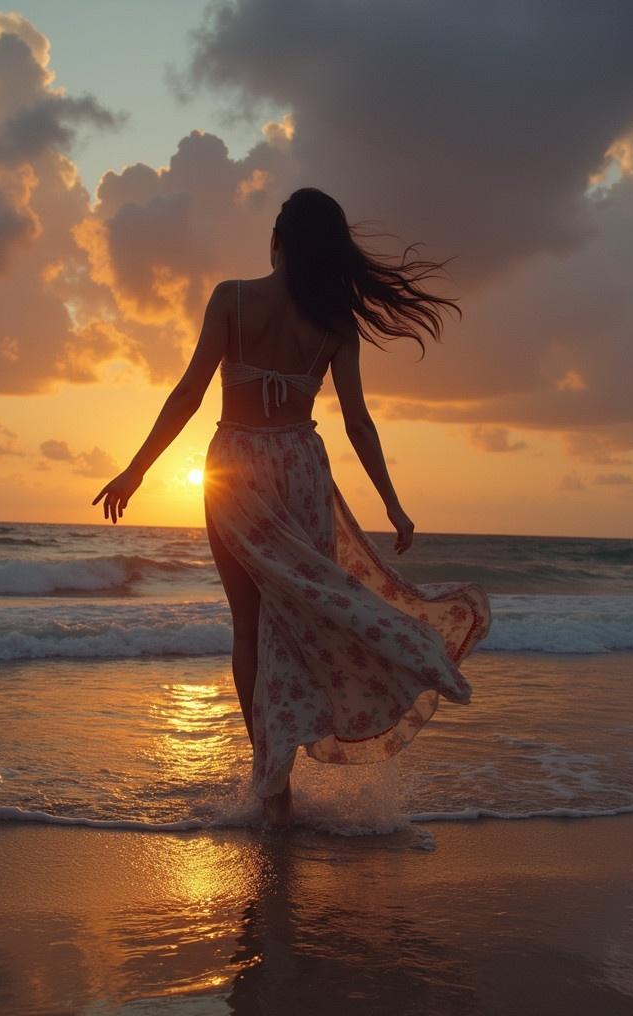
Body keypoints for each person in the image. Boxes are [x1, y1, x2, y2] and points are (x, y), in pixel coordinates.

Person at [92, 188, 492, 828]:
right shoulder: (335, 325)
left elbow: (190, 391)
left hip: (232, 472)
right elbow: (358, 422)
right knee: (301, 617)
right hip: (302, 472)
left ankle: (271, 789)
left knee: (249, 628)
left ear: (275, 240)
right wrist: (393, 504)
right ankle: (383, 672)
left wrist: (136, 470)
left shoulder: (232, 298)